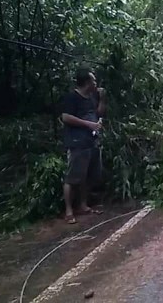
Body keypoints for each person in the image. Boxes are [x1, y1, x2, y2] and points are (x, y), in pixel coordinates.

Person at [61, 68, 106, 224]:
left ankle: (83, 205)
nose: (95, 83)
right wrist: (88, 124)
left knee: (86, 175)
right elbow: (65, 117)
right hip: (77, 142)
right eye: (93, 80)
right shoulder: (72, 97)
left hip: (91, 141)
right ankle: (68, 210)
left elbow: (99, 113)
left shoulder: (92, 96)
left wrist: (102, 99)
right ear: (87, 82)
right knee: (72, 177)